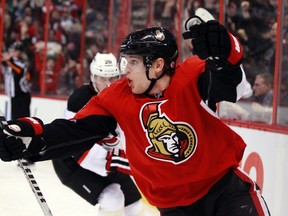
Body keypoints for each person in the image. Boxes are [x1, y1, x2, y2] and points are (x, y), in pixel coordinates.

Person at [0, 16, 271, 216]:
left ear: (158, 65)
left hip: (225, 192)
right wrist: (30, 138)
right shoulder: (116, 96)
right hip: (174, 208)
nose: (124, 70)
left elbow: (234, 87)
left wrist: (226, 56)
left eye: (132, 63)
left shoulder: (192, 76)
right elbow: (74, 131)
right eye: (124, 61)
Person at [52, 53, 143, 216]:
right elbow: (80, 150)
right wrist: (135, 163)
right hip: (72, 162)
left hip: (106, 159)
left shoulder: (121, 93)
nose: (108, 84)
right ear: (93, 77)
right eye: (102, 79)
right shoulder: (80, 100)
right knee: (113, 198)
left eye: (112, 78)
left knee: (135, 206)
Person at [1, 41, 31, 120]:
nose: (12, 52)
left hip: (22, 95)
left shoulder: (22, 63)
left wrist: (8, 61)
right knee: (15, 120)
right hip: (14, 96)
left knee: (23, 121)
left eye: (14, 50)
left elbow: (19, 71)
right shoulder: (9, 63)